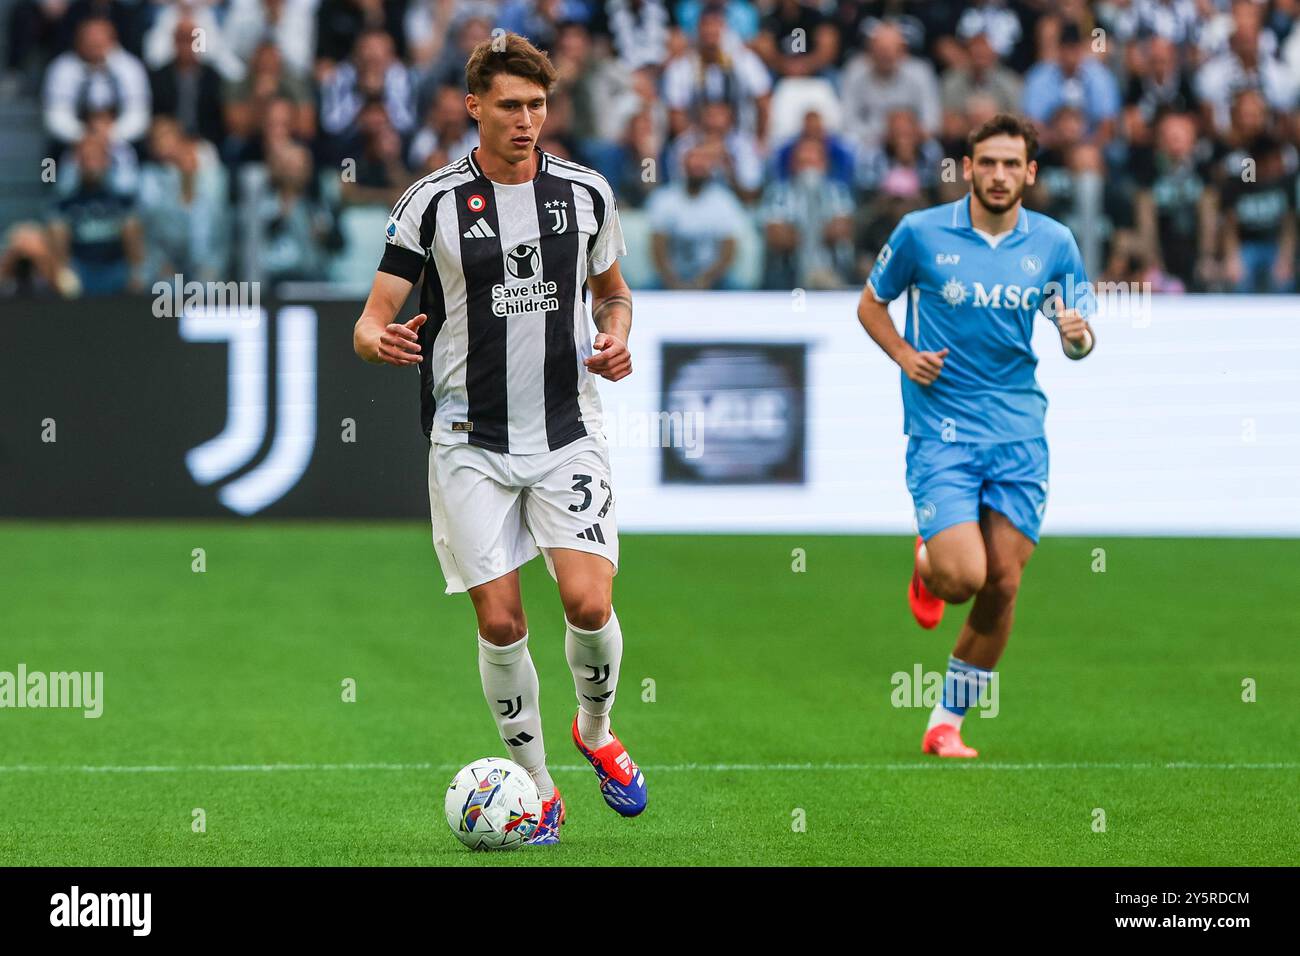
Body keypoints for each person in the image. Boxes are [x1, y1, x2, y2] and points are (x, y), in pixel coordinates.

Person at [352, 32, 647, 845]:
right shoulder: (432, 202)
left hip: (565, 429)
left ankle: (596, 728)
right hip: (467, 438)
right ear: (473, 107)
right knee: (503, 624)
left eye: (538, 105)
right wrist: (380, 340)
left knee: (590, 602)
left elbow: (614, 295)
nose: (526, 120)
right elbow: (369, 323)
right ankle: (542, 787)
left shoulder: (586, 193)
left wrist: (617, 334)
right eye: (510, 106)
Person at [856, 113, 1096, 758]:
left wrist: (1077, 337)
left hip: (1019, 432)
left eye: (1011, 164)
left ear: (1030, 173)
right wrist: (906, 355)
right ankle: (929, 563)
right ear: (969, 168)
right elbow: (870, 304)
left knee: (1004, 585)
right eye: (987, 163)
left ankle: (945, 723)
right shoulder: (921, 232)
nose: (998, 175)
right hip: (942, 431)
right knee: (964, 577)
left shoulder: (1054, 243)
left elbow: (1080, 337)